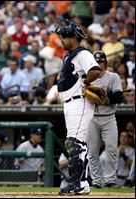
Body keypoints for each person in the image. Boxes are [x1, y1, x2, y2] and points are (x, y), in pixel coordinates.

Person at [55, 19, 103, 195]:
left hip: (79, 102)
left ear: (73, 37)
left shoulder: (82, 53)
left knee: (74, 143)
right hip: (71, 104)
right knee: (77, 143)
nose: (62, 40)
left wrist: (86, 82)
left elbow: (95, 70)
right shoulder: (70, 55)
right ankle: (82, 183)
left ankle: (78, 184)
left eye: (64, 37)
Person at [87, 50, 124, 188]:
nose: (99, 64)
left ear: (105, 63)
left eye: (101, 62)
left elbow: (119, 97)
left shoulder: (113, 77)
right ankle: (96, 181)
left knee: (112, 149)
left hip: (108, 118)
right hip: (91, 118)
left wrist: (105, 97)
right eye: (96, 62)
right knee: (92, 151)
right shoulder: (87, 77)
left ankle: (109, 180)